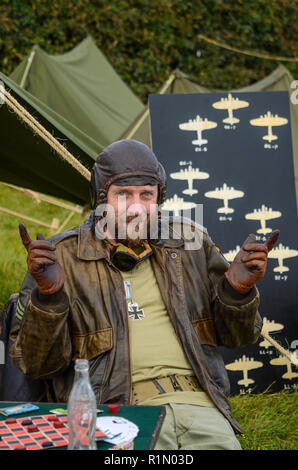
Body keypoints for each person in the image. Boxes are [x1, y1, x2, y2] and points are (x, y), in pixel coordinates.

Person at [10, 139, 279, 450]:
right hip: (118, 411)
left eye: (146, 195)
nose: (136, 208)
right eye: (123, 195)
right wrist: (48, 298)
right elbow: (37, 365)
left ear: (159, 199)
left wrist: (237, 292)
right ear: (101, 201)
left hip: (200, 406)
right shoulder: (61, 256)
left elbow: (236, 337)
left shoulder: (190, 242)